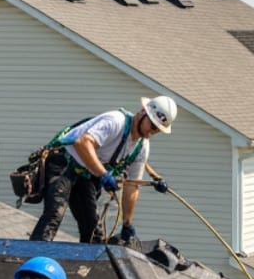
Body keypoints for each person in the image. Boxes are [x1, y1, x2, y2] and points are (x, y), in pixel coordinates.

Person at [29, 95, 176, 244]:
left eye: (157, 130)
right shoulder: (116, 121)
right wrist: (104, 174)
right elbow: (83, 143)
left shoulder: (142, 147)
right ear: (143, 112)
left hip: (87, 175)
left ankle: (86, 259)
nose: (152, 132)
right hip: (64, 164)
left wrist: (127, 223)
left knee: (93, 229)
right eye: (152, 125)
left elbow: (132, 186)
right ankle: (34, 253)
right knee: (54, 213)